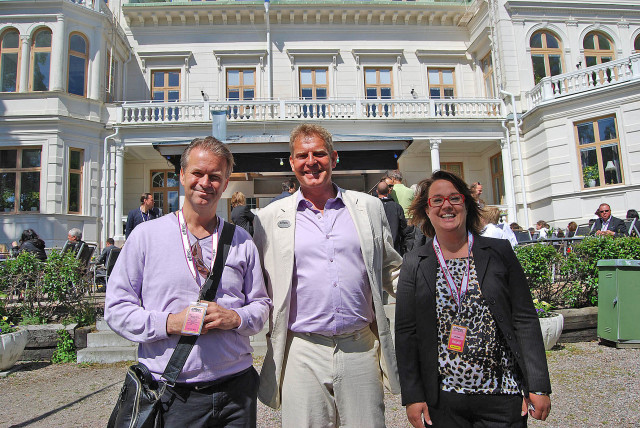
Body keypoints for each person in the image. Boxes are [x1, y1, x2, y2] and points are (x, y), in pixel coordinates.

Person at [105, 136, 271, 427]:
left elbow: (261, 306)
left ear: (226, 181)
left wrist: (235, 317)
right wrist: (169, 323)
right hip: (173, 393)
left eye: (215, 176)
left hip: (237, 390)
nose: (205, 182)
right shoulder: (146, 237)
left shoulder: (241, 241)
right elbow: (116, 310)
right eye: (197, 173)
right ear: (181, 175)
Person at [253, 124, 402, 427]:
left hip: (360, 345)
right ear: (292, 162)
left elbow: (392, 269)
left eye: (319, 153)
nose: (311, 162)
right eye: (302, 155)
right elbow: (255, 282)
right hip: (301, 349)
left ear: (334, 158)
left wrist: (439, 298)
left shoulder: (370, 208)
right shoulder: (269, 218)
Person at [395, 170, 551, 428]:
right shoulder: (415, 262)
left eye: (454, 198)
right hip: (443, 400)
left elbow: (524, 318)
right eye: (437, 200)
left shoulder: (498, 251)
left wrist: (538, 385)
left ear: (466, 204)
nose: (446, 205)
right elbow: (406, 332)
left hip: (502, 395)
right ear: (427, 209)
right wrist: (413, 395)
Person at [377, 180, 409, 255]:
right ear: (388, 191)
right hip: (394, 247)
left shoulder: (372, 206)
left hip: (378, 248)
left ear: (377, 191)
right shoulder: (396, 207)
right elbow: (404, 227)